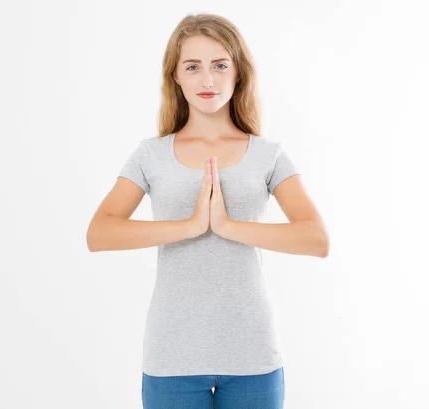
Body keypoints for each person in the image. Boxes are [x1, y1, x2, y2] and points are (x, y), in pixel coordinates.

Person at [87, 12, 330, 409]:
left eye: (220, 65)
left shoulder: (268, 155)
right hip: (172, 355)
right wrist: (190, 225)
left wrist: (228, 226)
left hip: (252, 352)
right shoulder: (152, 154)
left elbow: (316, 239)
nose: (208, 80)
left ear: (239, 73)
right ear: (176, 76)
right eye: (193, 67)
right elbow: (99, 234)